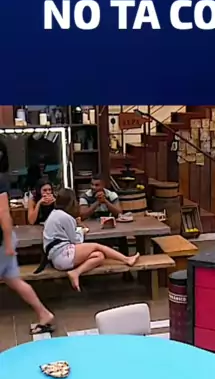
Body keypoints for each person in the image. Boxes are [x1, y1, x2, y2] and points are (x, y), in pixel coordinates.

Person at [0, 140, 55, 333]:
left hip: (2, 241)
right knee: (14, 280)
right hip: (4, 241)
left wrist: (8, 243)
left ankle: (44, 314)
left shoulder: (0, 180)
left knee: (14, 280)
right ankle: (44, 314)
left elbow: (4, 213)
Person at [43, 188, 139, 291]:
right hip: (62, 255)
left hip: (56, 257)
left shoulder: (54, 214)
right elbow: (76, 241)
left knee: (99, 256)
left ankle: (76, 272)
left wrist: (79, 228)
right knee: (96, 246)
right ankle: (126, 259)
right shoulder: (66, 217)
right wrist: (82, 231)